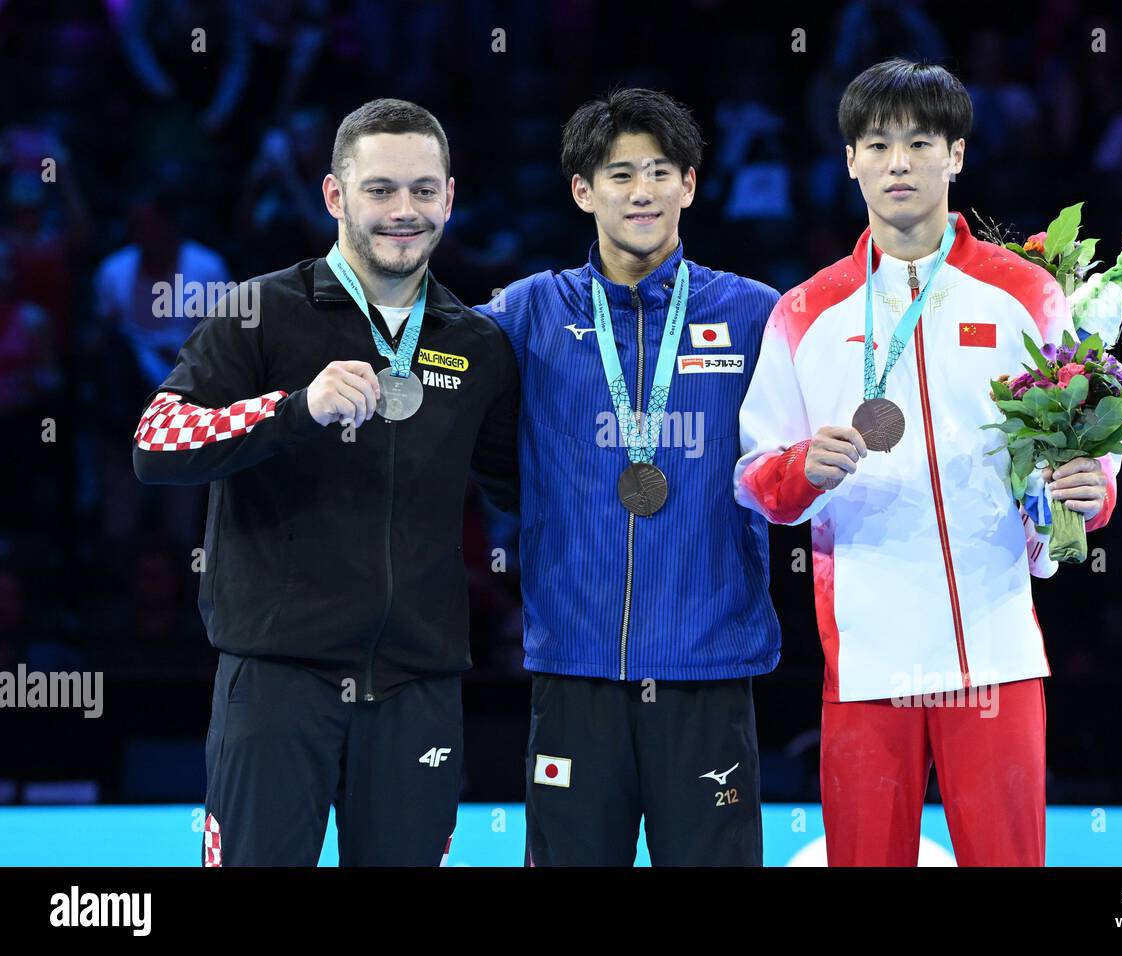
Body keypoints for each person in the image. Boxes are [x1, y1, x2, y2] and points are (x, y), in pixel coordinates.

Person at [734, 59, 1119, 867]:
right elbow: (756, 476)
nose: (898, 162)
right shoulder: (804, 311)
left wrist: (1093, 491)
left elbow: (1086, 450)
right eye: (877, 144)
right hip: (868, 650)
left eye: (920, 142)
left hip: (996, 647)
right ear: (850, 161)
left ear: (957, 154)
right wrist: (803, 467)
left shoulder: (1029, 294)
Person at [133, 98, 518, 866]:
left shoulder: (478, 345)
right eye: (379, 190)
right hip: (278, 682)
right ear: (335, 196)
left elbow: (525, 489)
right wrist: (293, 407)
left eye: (421, 189)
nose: (402, 211)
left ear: (449, 196)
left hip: (418, 686)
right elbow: (155, 441)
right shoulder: (260, 312)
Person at [476, 89, 780, 866]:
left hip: (707, 666)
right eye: (618, 174)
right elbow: (436, 385)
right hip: (576, 667)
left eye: (657, 171)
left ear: (689, 181)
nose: (640, 192)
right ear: (583, 191)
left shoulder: (757, 316)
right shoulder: (526, 313)